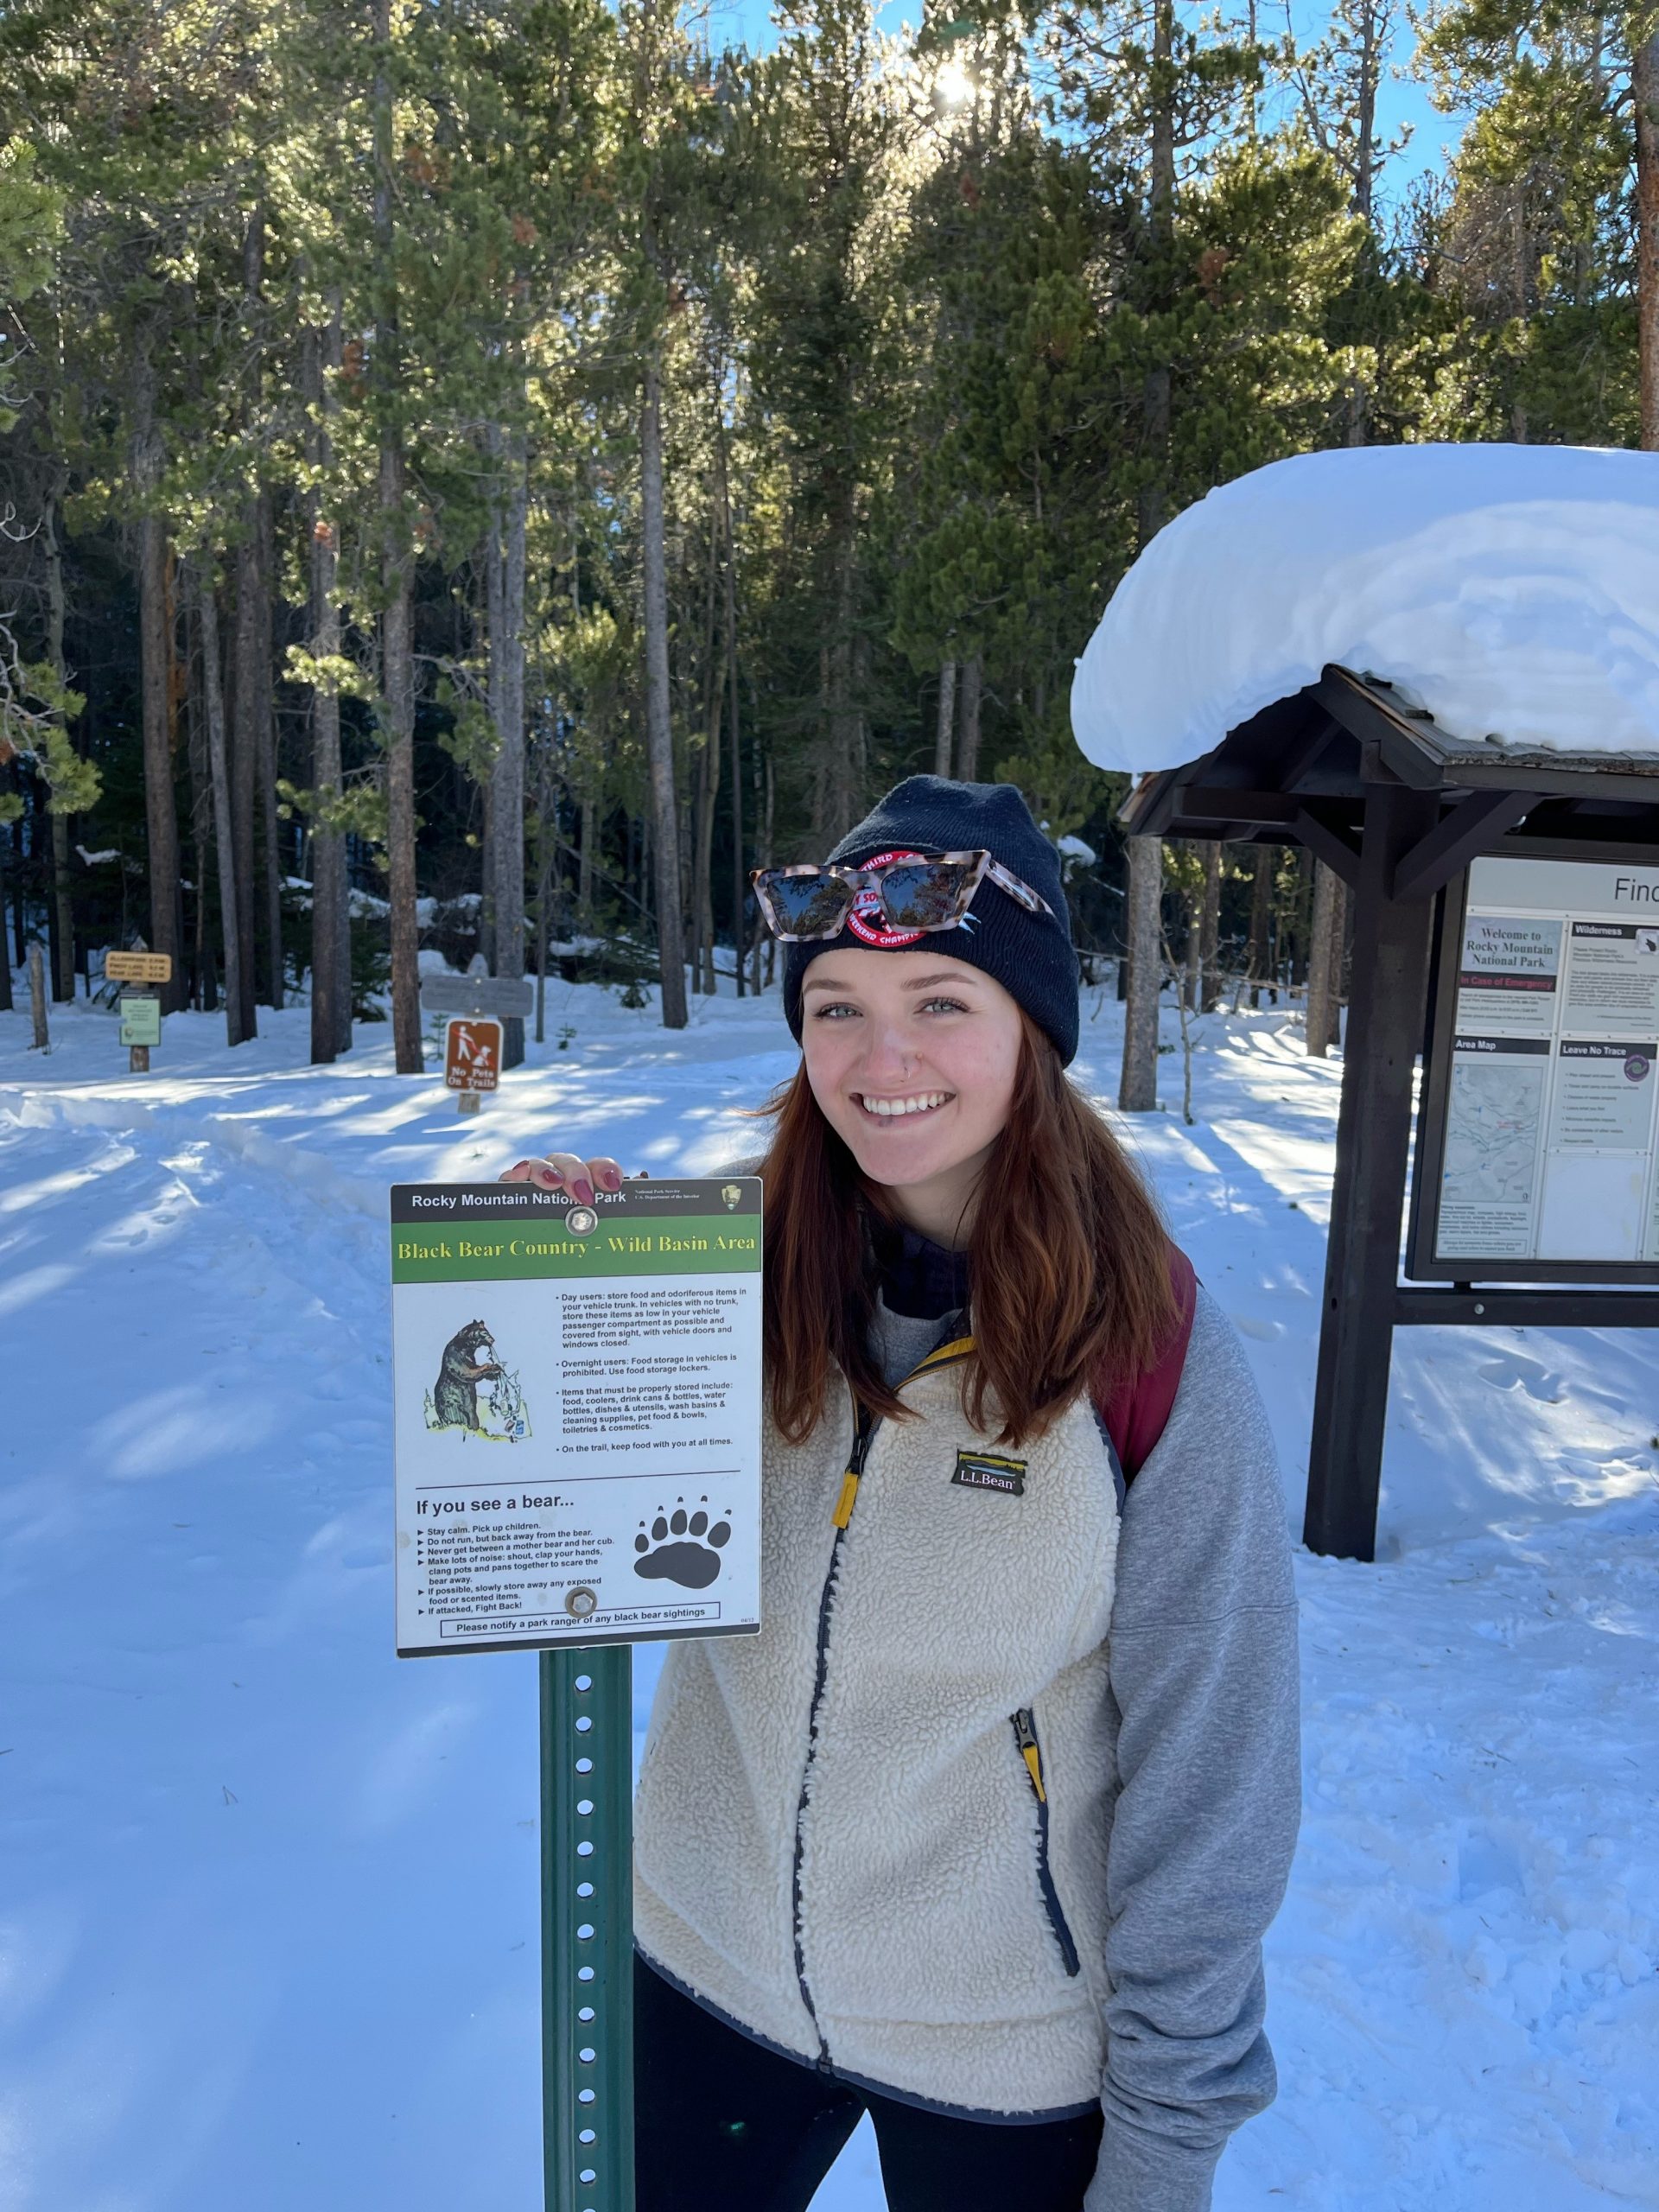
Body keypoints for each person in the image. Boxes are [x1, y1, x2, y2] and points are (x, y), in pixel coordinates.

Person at [501, 776, 1300, 2212]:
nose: (883, 1057)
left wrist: (1170, 2135)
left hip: (1008, 2039)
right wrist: (542, 1285)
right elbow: (546, 1514)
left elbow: (1219, 1768)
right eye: (837, 1008)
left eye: (942, 1001)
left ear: (1031, 1033)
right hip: (703, 1967)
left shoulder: (1149, 1348)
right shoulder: (711, 1282)